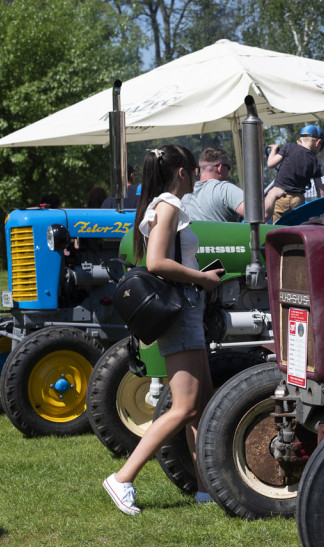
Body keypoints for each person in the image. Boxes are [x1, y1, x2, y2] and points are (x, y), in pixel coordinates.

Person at [102, 145, 224, 515]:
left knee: (201, 405)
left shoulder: (160, 204)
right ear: (184, 172)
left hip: (187, 307)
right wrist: (202, 278)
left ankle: (206, 489)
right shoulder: (169, 205)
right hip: (182, 308)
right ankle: (122, 478)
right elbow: (156, 261)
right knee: (185, 406)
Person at [264, 125, 324, 222]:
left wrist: (274, 149)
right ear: (318, 143)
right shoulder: (315, 161)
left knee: (276, 227)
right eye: (321, 148)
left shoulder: (289, 147)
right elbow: (320, 188)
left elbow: (270, 164)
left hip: (280, 196)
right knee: (295, 226)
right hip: (298, 200)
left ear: (299, 141)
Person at [181, 147, 245, 222]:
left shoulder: (184, 193)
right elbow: (256, 213)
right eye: (228, 167)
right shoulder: (224, 189)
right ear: (220, 168)